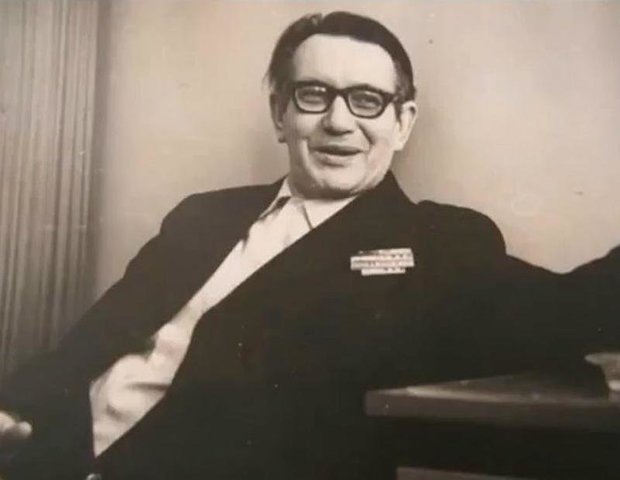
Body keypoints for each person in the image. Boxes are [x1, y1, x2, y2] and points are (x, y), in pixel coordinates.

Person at [0, 11, 612, 480]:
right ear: (280, 113)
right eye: (313, 95)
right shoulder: (201, 216)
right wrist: (12, 408)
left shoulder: (438, 242)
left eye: (367, 100)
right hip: (45, 459)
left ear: (402, 122)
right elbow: (87, 346)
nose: (339, 122)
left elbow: (568, 309)